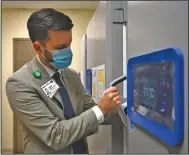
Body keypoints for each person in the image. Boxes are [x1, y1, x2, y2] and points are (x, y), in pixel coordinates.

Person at [6, 8, 121, 154]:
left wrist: (120, 106)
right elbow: (55, 135)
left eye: (69, 44)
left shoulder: (70, 75)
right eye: (61, 47)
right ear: (38, 48)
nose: (68, 51)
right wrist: (101, 109)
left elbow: (90, 109)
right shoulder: (19, 83)